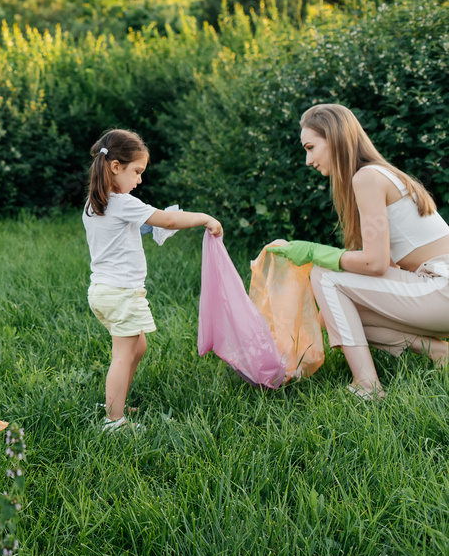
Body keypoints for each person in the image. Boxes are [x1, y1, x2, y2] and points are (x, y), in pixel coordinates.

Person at [267, 104, 449, 399]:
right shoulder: (379, 175)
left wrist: (313, 252)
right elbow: (386, 266)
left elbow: (375, 265)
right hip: (436, 292)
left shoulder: (367, 178)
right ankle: (439, 352)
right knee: (338, 310)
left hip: (442, 289)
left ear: (335, 138)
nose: (307, 160)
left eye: (311, 147)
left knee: (325, 275)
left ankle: (367, 386)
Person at [83, 128, 223, 432]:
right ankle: (113, 420)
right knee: (123, 355)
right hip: (122, 294)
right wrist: (204, 218)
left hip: (102, 292)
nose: (139, 180)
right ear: (116, 167)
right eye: (137, 171)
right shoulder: (122, 202)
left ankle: (116, 401)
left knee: (138, 347)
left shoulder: (94, 205)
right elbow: (169, 220)